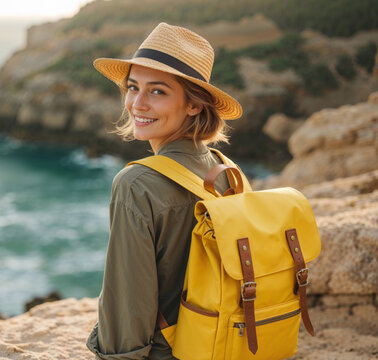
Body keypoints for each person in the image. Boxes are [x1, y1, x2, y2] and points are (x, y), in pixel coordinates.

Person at [86, 23, 244, 359]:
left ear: (194, 105)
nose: (137, 104)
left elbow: (128, 301)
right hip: (224, 345)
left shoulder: (136, 184)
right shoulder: (227, 170)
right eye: (132, 87)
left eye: (157, 91)